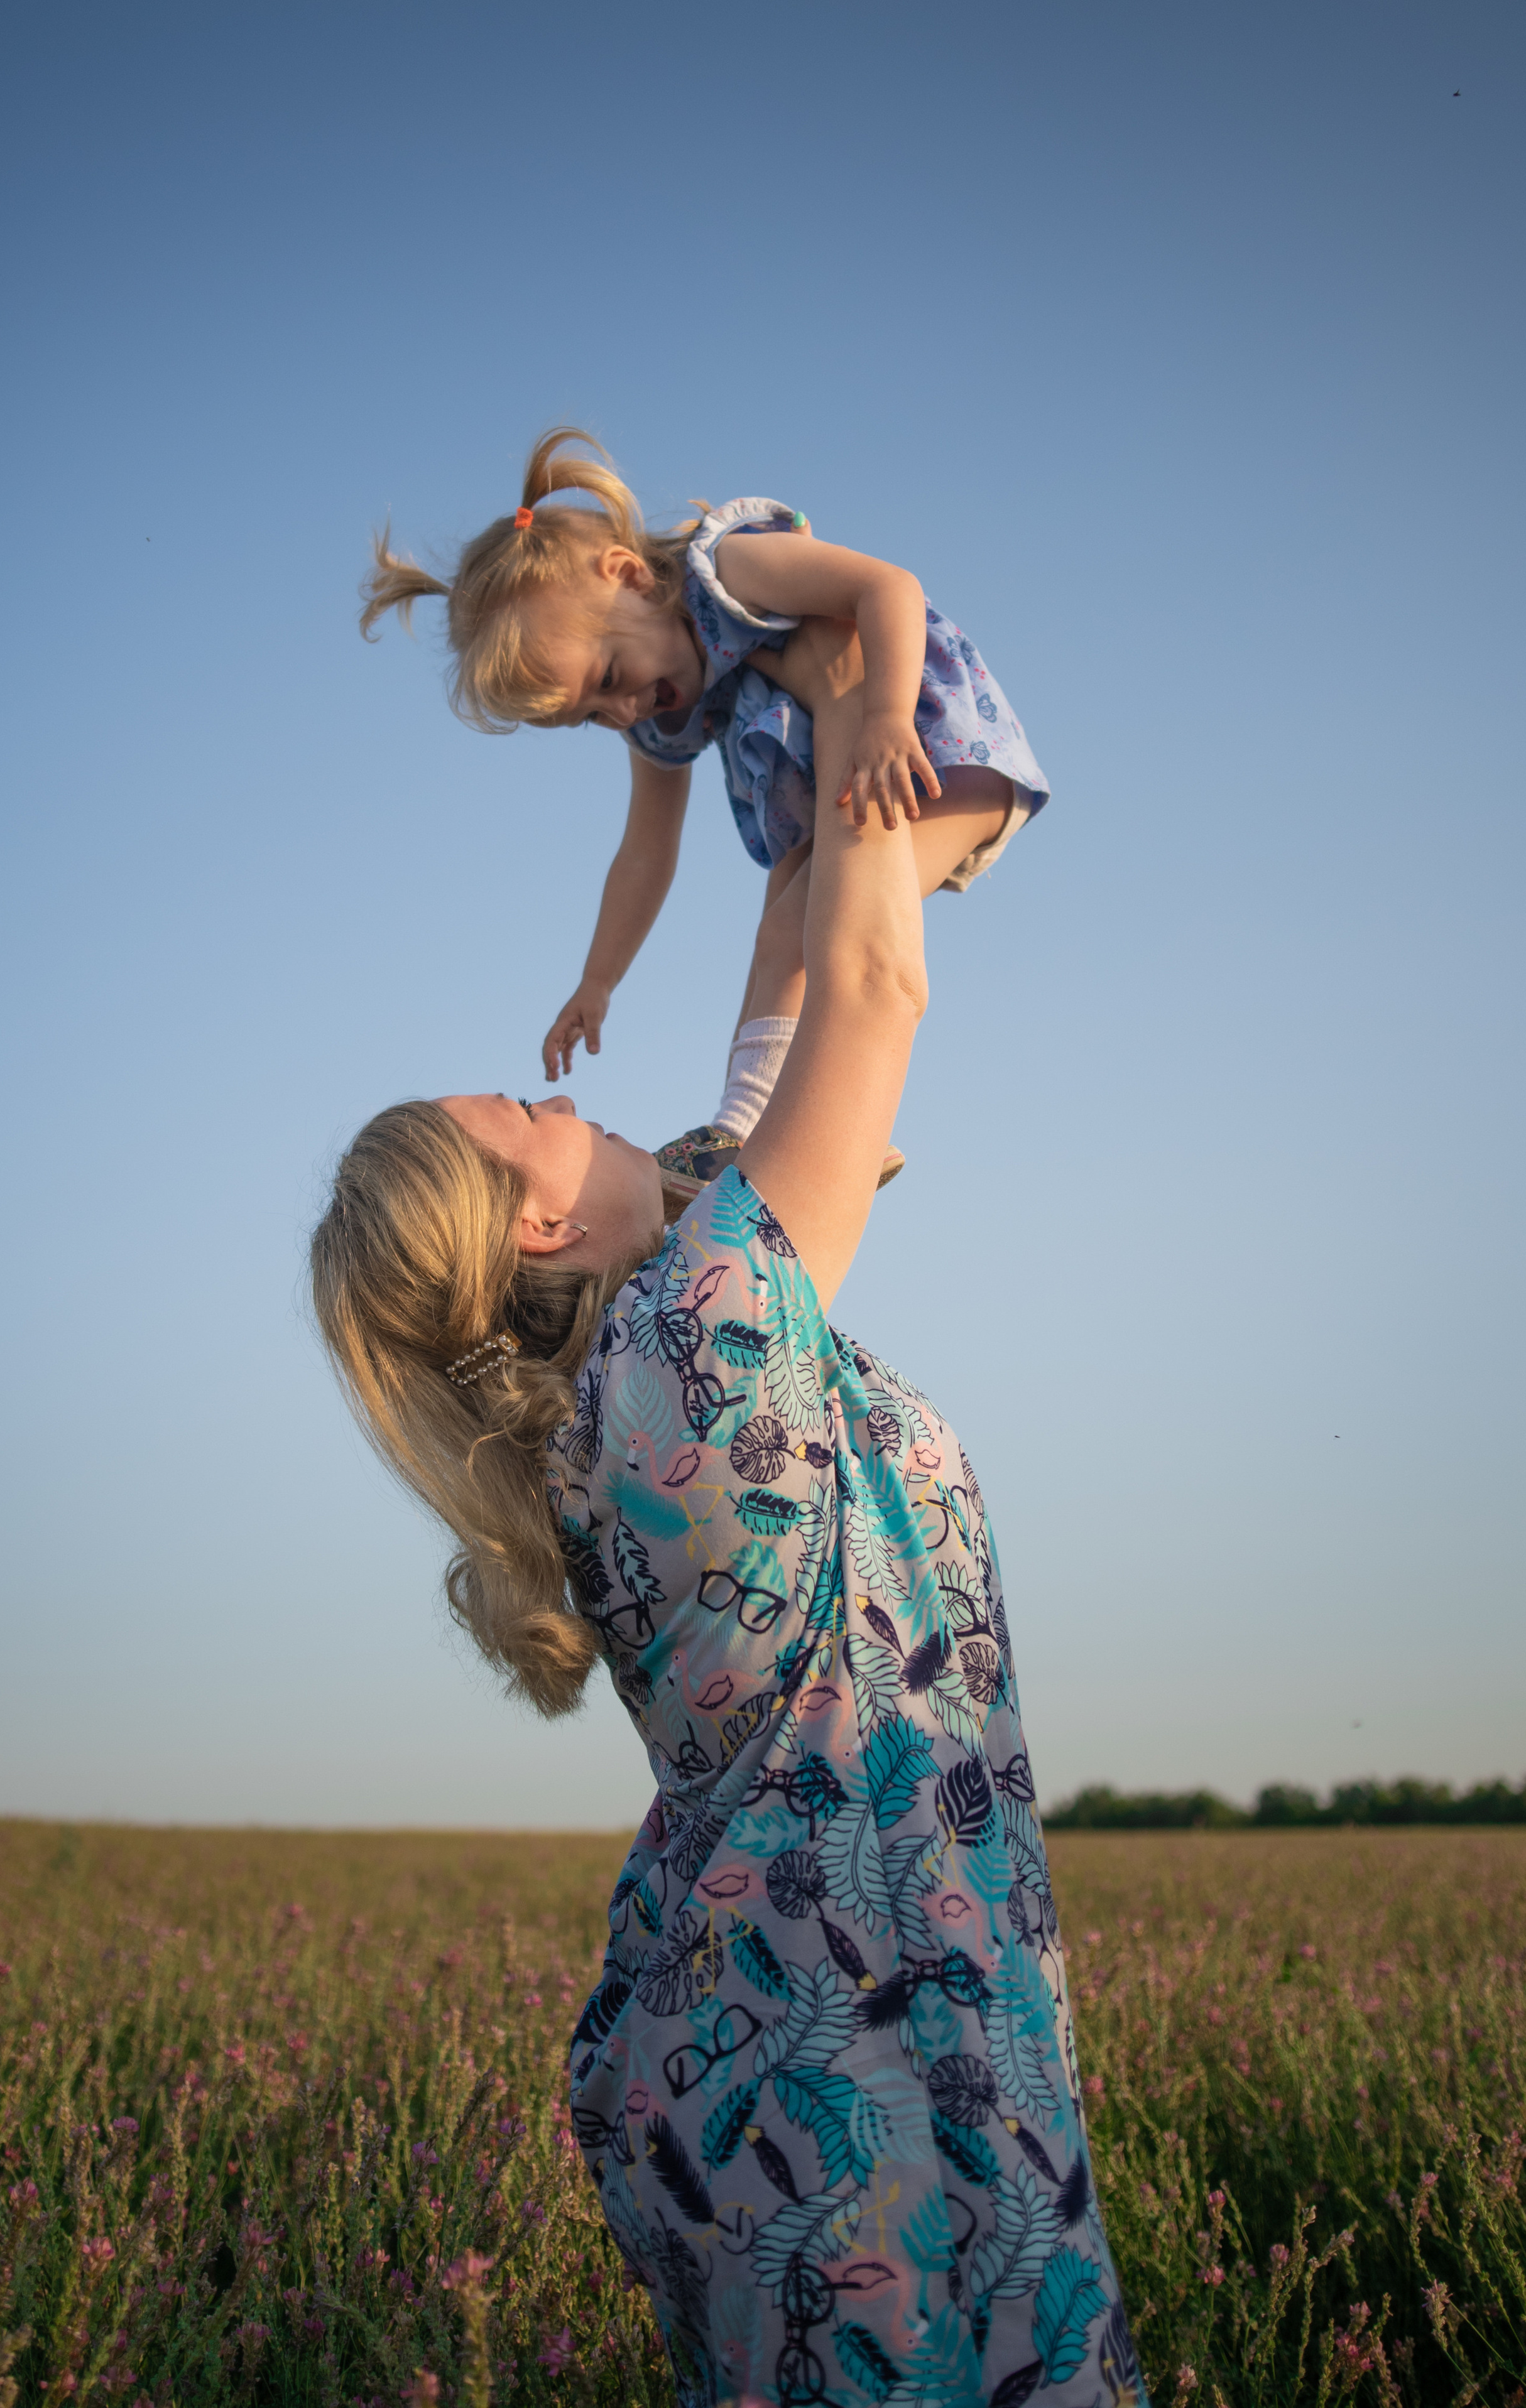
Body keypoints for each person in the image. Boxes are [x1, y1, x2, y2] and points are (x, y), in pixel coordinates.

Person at [310, 638, 1146, 2407]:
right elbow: (870, 994)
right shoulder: (697, 1332)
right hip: (868, 2071)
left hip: (797, 2022)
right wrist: (873, 712)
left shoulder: (642, 1352)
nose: (558, 1095)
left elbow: (792, 981)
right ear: (536, 1231)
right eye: (519, 1110)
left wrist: (794, 688)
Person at [359, 428, 1050, 1205]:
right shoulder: (653, 718)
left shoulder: (727, 570)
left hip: (935, 753)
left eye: (611, 677)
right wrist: (598, 980)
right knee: (776, 939)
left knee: (803, 929)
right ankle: (779, 1120)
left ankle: (763, 1122)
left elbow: (885, 588)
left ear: (625, 575)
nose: (623, 710)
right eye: (592, 715)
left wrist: (887, 716)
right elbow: (645, 851)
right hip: (839, 793)